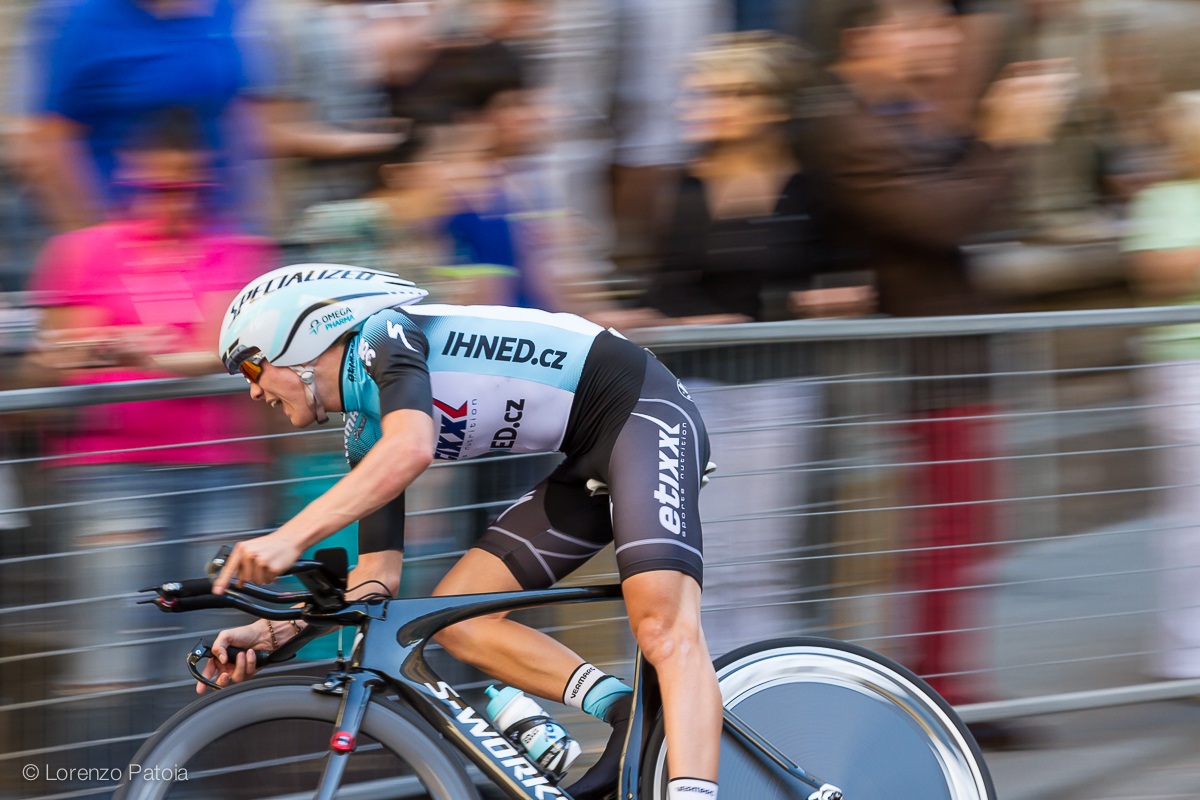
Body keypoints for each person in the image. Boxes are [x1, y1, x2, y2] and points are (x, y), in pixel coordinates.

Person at [202, 265, 723, 800]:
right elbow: (376, 578)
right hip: (590, 452)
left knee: (663, 628)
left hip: (645, 412)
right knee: (458, 620)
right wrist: (277, 632)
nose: (252, 390)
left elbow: (412, 448)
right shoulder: (365, 424)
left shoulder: (385, 336)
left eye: (251, 365)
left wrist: (289, 537)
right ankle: (624, 709)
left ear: (301, 336)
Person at [804, 0, 1075, 745]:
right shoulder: (846, 124)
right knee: (946, 537)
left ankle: (947, 687)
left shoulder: (897, 113)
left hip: (953, 359)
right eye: (914, 23)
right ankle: (934, 700)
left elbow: (965, 192)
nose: (932, 38)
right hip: (920, 363)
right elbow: (943, 219)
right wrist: (1010, 138)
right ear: (864, 36)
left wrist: (1000, 126)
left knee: (965, 535)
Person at [1123, 91, 1200, 682]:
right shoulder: (1161, 199)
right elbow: (1158, 269)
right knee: (1190, 512)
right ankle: (1184, 651)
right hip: (1185, 370)